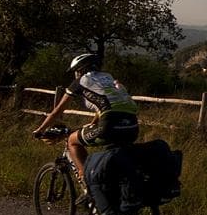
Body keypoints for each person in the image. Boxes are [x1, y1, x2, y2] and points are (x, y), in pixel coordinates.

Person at [33, 53, 139, 184]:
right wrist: (93, 123)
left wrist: (39, 130)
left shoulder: (81, 81)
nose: (75, 74)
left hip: (109, 126)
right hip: (133, 126)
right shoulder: (109, 79)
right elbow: (107, 105)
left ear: (81, 69)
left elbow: (58, 111)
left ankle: (87, 182)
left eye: (75, 71)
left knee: (71, 140)